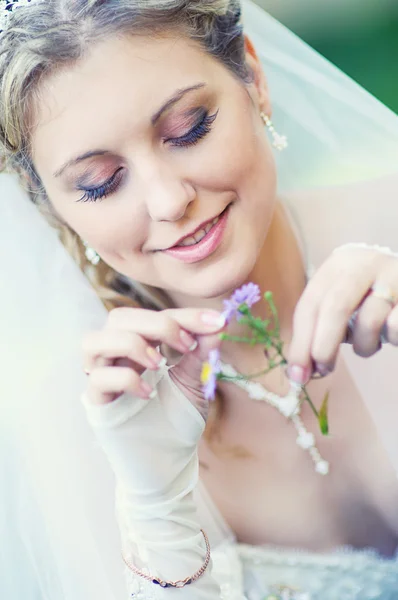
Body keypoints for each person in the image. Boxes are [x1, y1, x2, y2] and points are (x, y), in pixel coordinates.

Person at [1, 0, 398, 598]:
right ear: (50, 207)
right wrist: (156, 502)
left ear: (254, 81)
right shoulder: (84, 408)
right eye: (100, 183)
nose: (167, 200)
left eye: (189, 128)